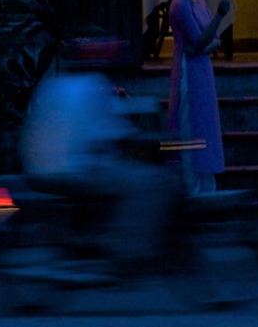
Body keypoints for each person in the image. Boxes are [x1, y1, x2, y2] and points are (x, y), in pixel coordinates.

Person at [20, 70, 172, 271]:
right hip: (77, 169)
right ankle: (128, 252)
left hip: (36, 170)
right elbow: (114, 133)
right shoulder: (96, 85)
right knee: (149, 182)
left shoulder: (51, 84)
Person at [167, 0, 230, 196]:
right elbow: (200, 40)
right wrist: (220, 15)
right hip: (189, 71)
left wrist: (205, 45)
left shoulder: (198, 2)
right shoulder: (180, 5)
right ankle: (190, 186)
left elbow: (209, 41)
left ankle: (205, 183)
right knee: (190, 123)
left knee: (205, 122)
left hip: (201, 67)